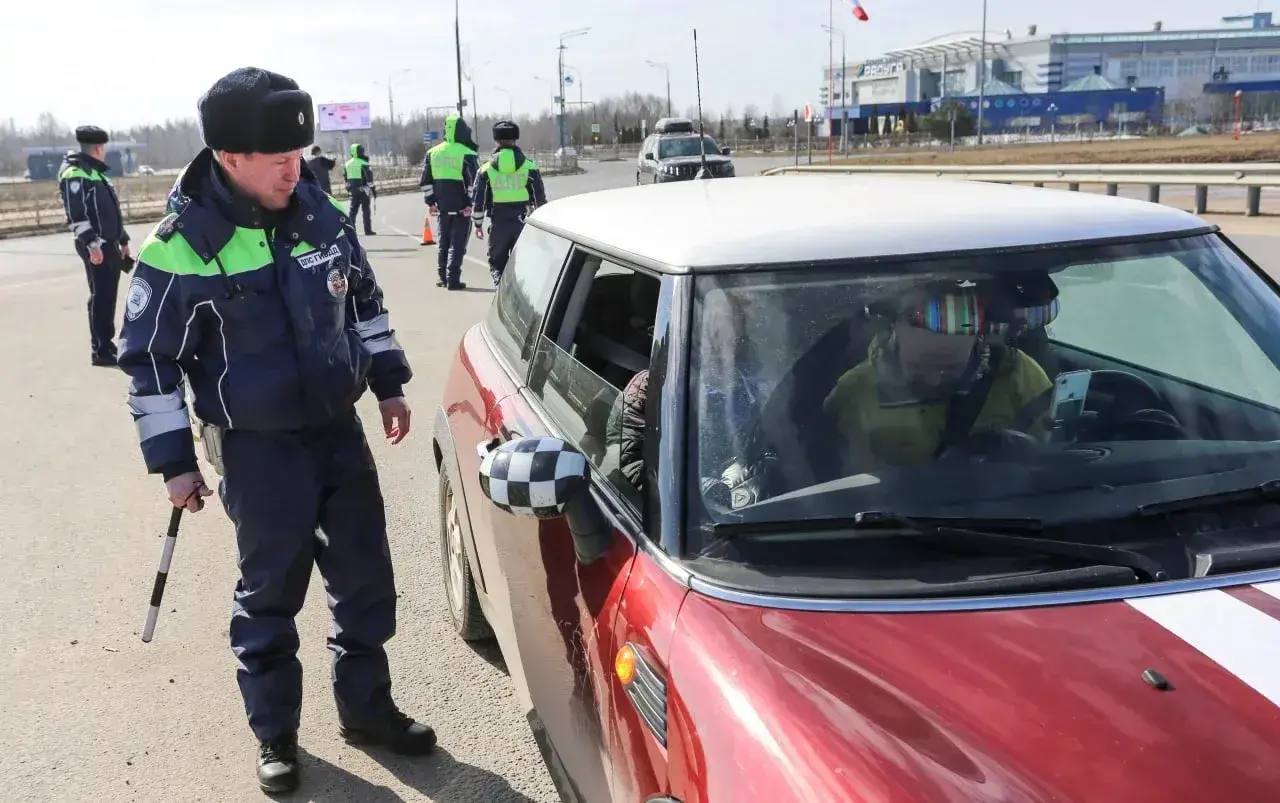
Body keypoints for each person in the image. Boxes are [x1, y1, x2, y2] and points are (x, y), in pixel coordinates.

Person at [116, 67, 431, 794]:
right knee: (271, 592)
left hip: (336, 432)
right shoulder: (178, 250)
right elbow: (150, 366)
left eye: (301, 153)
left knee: (365, 579)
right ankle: (276, 734)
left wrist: (388, 383)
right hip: (257, 449)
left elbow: (364, 300)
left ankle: (368, 710)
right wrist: (173, 462)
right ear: (229, 157)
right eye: (279, 159)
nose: (297, 168)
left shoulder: (318, 213)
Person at [823, 282, 1053, 469]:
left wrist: (1022, 451)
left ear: (978, 340)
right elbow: (852, 488)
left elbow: (1051, 458)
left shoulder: (1017, 374)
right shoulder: (854, 392)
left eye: (949, 368)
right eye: (919, 366)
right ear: (895, 333)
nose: (934, 380)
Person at [58, 125, 130, 366]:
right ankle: (101, 349)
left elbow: (111, 212)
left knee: (107, 296)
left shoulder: (96, 174)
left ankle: (106, 345)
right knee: (101, 296)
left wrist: (123, 239)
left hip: (108, 244)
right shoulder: (75, 174)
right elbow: (75, 215)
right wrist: (91, 244)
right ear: (98, 148)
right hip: (96, 245)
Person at [471, 120, 547, 287]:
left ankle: (501, 294)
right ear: (515, 139)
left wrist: (477, 224)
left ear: (496, 140)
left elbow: (479, 200)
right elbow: (539, 198)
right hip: (522, 222)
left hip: (498, 223)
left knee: (497, 265)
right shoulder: (529, 166)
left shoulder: (486, 169)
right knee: (523, 265)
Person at [419, 113, 478, 290]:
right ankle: (453, 279)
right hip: (462, 208)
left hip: (442, 208)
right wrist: (469, 203)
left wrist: (431, 202)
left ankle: (443, 277)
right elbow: (474, 183)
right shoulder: (468, 153)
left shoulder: (432, 153)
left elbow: (425, 181)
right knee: (458, 244)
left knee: (443, 242)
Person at [344, 142, 376, 235]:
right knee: (366, 210)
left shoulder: (347, 164)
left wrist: (349, 188)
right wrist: (373, 190)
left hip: (353, 190)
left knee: (352, 211)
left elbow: (345, 178)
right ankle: (368, 230)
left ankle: (351, 230)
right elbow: (369, 178)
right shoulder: (364, 163)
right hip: (363, 189)